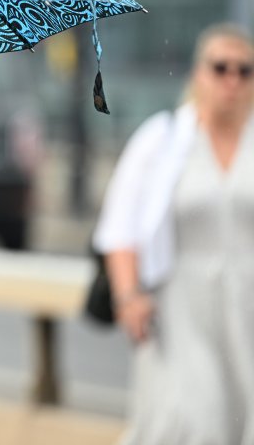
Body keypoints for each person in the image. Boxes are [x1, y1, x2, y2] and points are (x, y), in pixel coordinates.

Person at [93, 22, 254, 444]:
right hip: (180, 308)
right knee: (192, 418)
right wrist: (128, 295)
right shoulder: (162, 140)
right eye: (221, 68)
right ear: (198, 74)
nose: (232, 80)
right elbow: (121, 226)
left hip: (249, 306)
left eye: (244, 70)